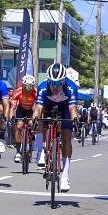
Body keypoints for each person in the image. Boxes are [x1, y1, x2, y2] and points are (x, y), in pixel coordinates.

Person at [33, 63, 79, 192]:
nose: (54, 86)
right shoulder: (43, 87)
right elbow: (38, 108)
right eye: (51, 82)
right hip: (48, 105)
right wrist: (35, 120)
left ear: (64, 81)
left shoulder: (71, 87)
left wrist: (75, 121)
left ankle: (65, 176)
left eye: (58, 83)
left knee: (66, 135)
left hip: (65, 107)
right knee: (39, 118)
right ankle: (41, 153)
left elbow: (73, 109)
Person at [8, 74, 37, 163]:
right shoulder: (17, 92)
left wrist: (34, 119)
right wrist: (11, 119)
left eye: (30, 87)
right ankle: (18, 152)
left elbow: (36, 108)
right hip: (21, 109)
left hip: (31, 109)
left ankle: (32, 139)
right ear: (23, 86)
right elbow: (12, 108)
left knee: (32, 124)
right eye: (26, 87)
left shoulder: (35, 92)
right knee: (19, 126)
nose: (28, 89)